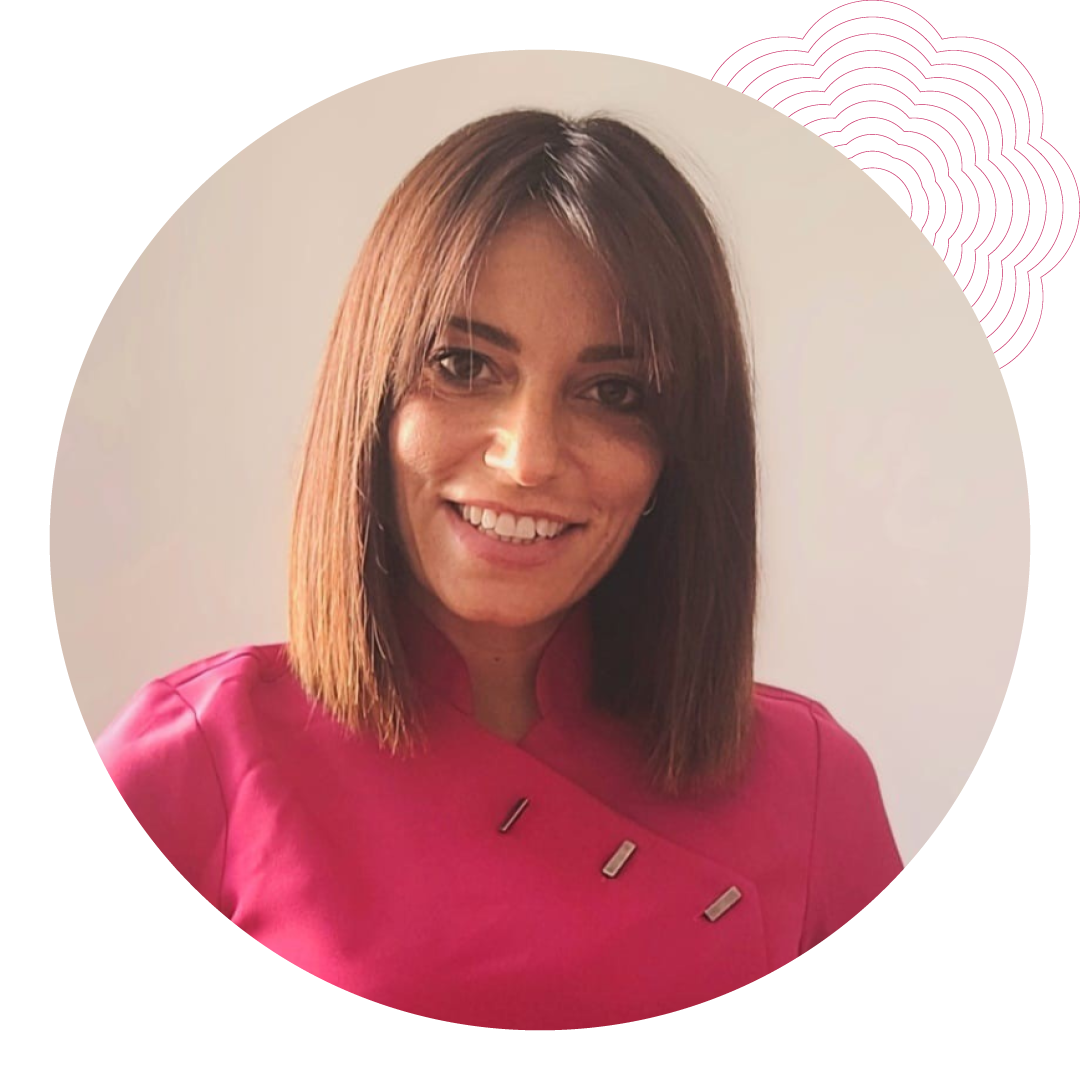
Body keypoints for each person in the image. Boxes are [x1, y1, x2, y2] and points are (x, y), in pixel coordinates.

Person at [97, 109, 902, 1029]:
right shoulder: (197, 760)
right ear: (373, 398)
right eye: (463, 365)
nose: (527, 459)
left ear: (679, 453)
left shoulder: (811, 787)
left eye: (612, 392)